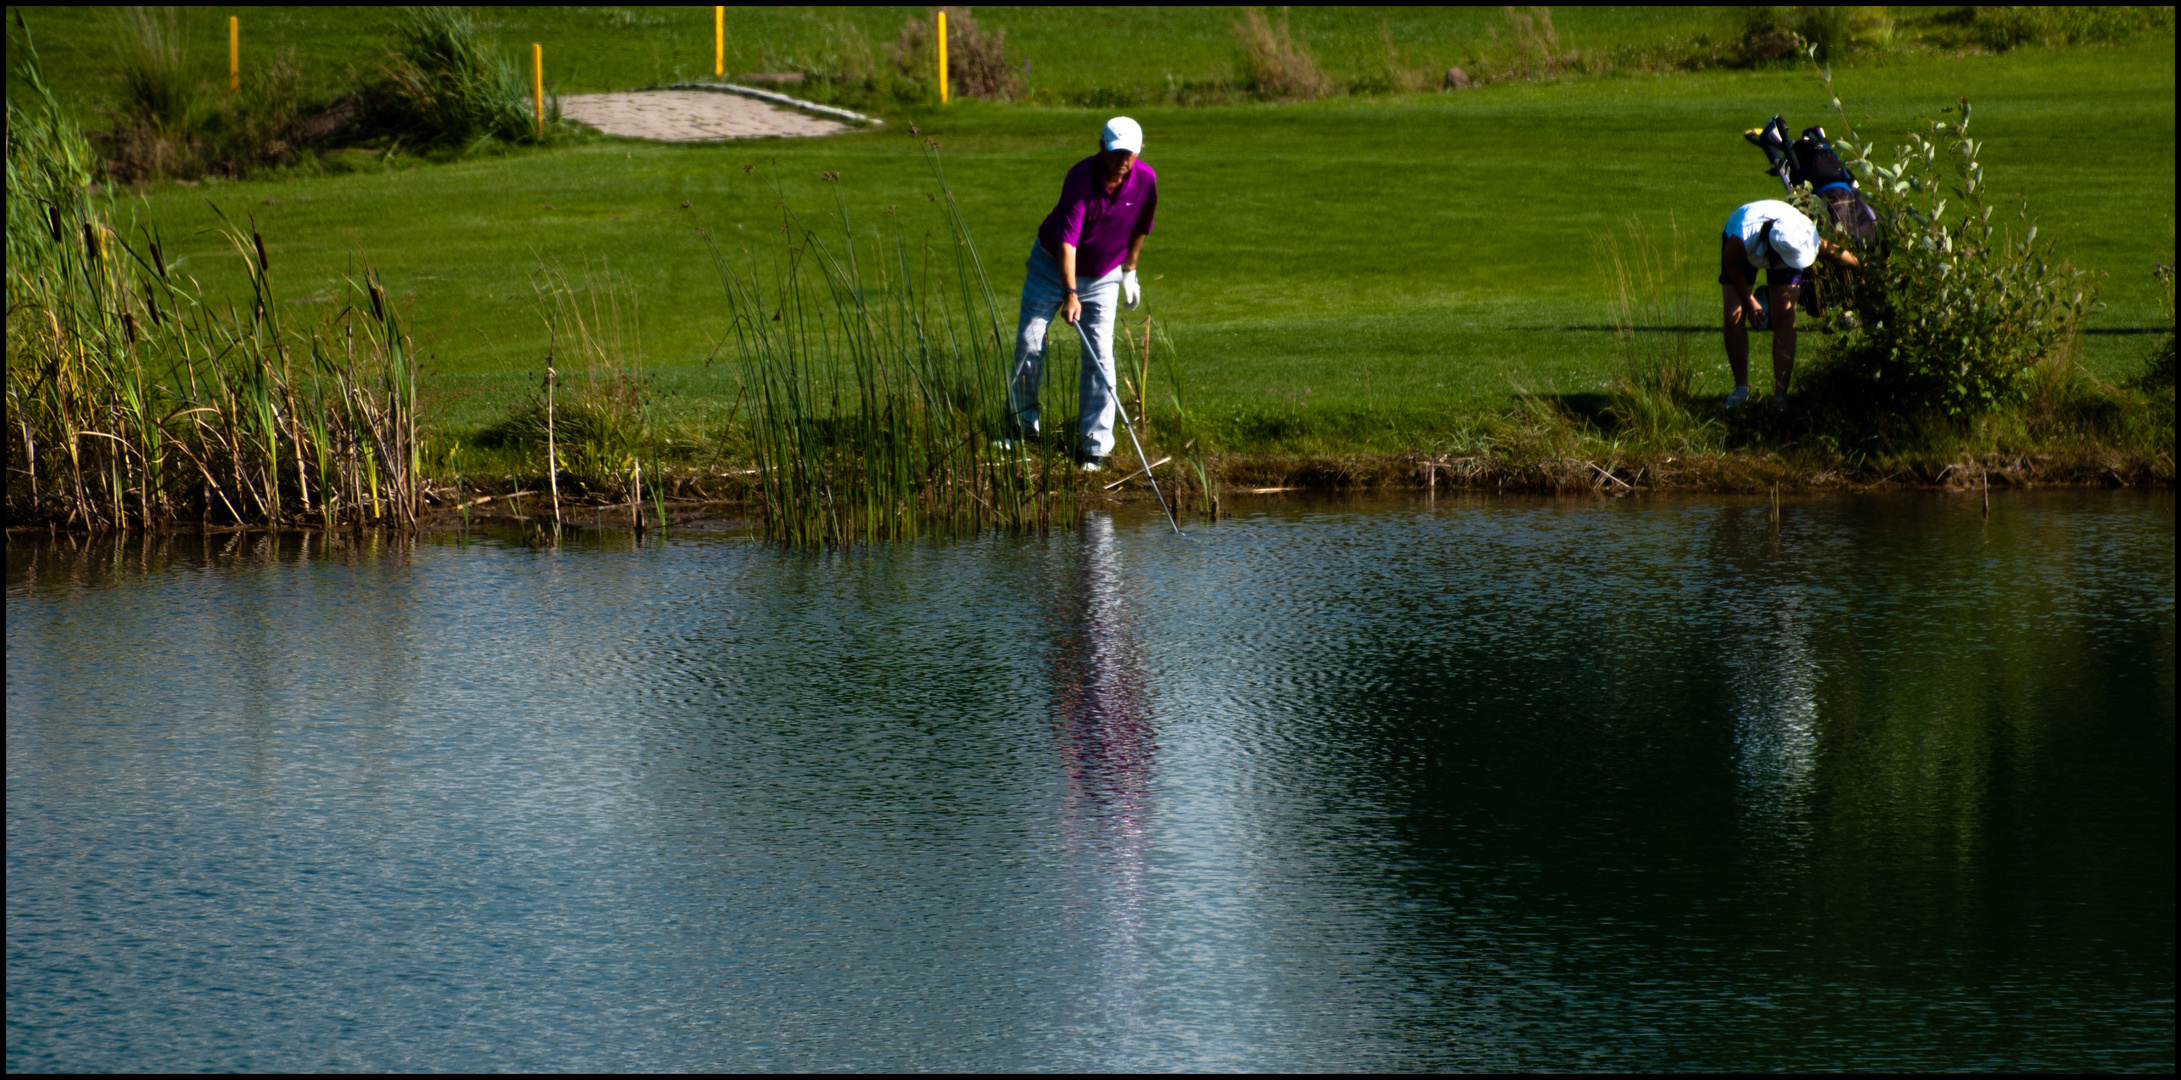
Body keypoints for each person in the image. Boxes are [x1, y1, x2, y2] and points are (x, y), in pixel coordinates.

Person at [1008, 117, 1158, 470]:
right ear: (1101, 146)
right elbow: (1067, 242)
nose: (1124, 159)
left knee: (1100, 357)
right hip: (1051, 265)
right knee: (1030, 342)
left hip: (1105, 274)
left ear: (1139, 151)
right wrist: (1070, 293)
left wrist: (1130, 272)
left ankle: (1095, 446)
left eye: (1130, 152)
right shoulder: (1080, 177)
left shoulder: (1146, 180)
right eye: (1117, 150)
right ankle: (1022, 427)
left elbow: (1141, 227)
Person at [1720, 198, 1860, 409]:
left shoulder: (1802, 237)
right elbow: (1731, 262)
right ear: (1776, 251)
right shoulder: (1742, 237)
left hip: (1783, 238)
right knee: (1733, 316)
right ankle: (1741, 389)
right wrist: (1750, 302)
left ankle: (1780, 398)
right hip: (1742, 241)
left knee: (1785, 316)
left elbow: (1833, 252)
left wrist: (1861, 266)